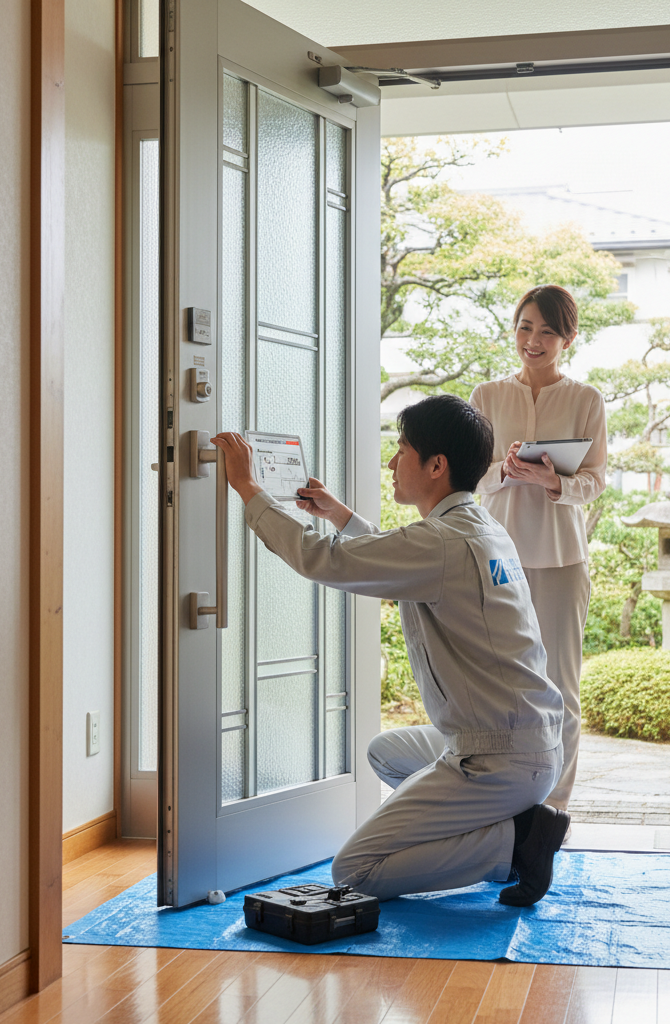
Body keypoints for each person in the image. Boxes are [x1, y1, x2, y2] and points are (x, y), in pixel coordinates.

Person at [210, 394, 569, 905]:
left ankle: (516, 846)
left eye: (401, 448)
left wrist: (248, 488)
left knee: (355, 871)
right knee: (387, 753)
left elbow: (323, 561)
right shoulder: (478, 527)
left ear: (436, 465)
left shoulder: (443, 542)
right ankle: (513, 822)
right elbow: (399, 555)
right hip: (525, 740)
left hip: (499, 758)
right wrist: (340, 515)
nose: (392, 461)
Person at [469, 285, 607, 814]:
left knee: (560, 687)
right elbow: (469, 477)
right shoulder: (486, 396)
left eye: (548, 331)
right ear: (515, 329)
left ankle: (553, 811)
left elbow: (594, 481)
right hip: (497, 557)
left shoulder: (585, 400)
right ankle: (500, 806)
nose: (534, 340)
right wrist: (504, 471)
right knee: (497, 685)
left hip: (561, 560)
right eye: (526, 327)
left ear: (567, 339)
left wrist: (554, 482)